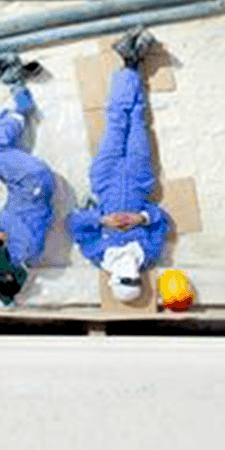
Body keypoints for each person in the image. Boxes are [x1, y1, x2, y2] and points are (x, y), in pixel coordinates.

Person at [67, 27, 172, 302]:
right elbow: (162, 221)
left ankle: (128, 62)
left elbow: (74, 223)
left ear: (113, 279)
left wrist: (102, 219)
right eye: (135, 279)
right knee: (137, 121)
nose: (130, 273)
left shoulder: (97, 253)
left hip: (106, 178)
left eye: (124, 279)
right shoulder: (148, 253)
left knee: (117, 120)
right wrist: (142, 218)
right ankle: (133, 62)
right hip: (140, 181)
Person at [0, 56, 55, 305]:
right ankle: (19, 97)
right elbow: (7, 229)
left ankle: (17, 85)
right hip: (33, 184)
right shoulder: (26, 252)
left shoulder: (3, 253)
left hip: (20, 187)